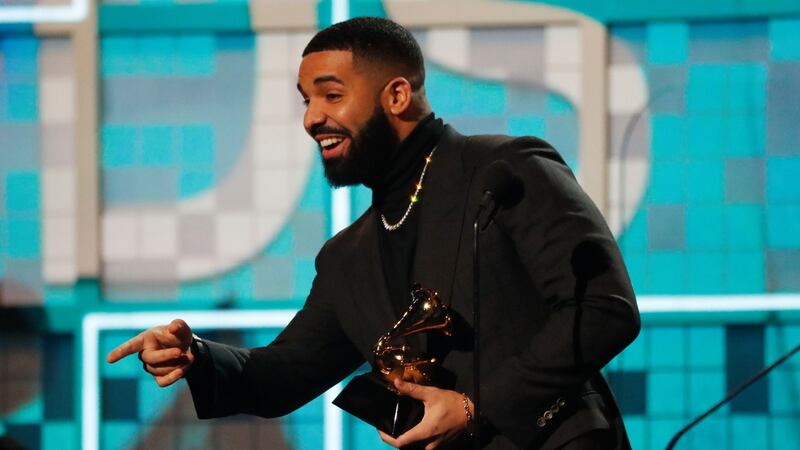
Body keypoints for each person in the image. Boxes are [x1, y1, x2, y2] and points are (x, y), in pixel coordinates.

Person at [107, 17, 640, 450]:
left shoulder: (502, 170)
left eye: (331, 96)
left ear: (398, 94)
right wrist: (196, 355)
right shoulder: (347, 257)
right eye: (305, 101)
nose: (312, 118)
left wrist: (476, 406)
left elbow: (602, 310)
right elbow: (285, 373)